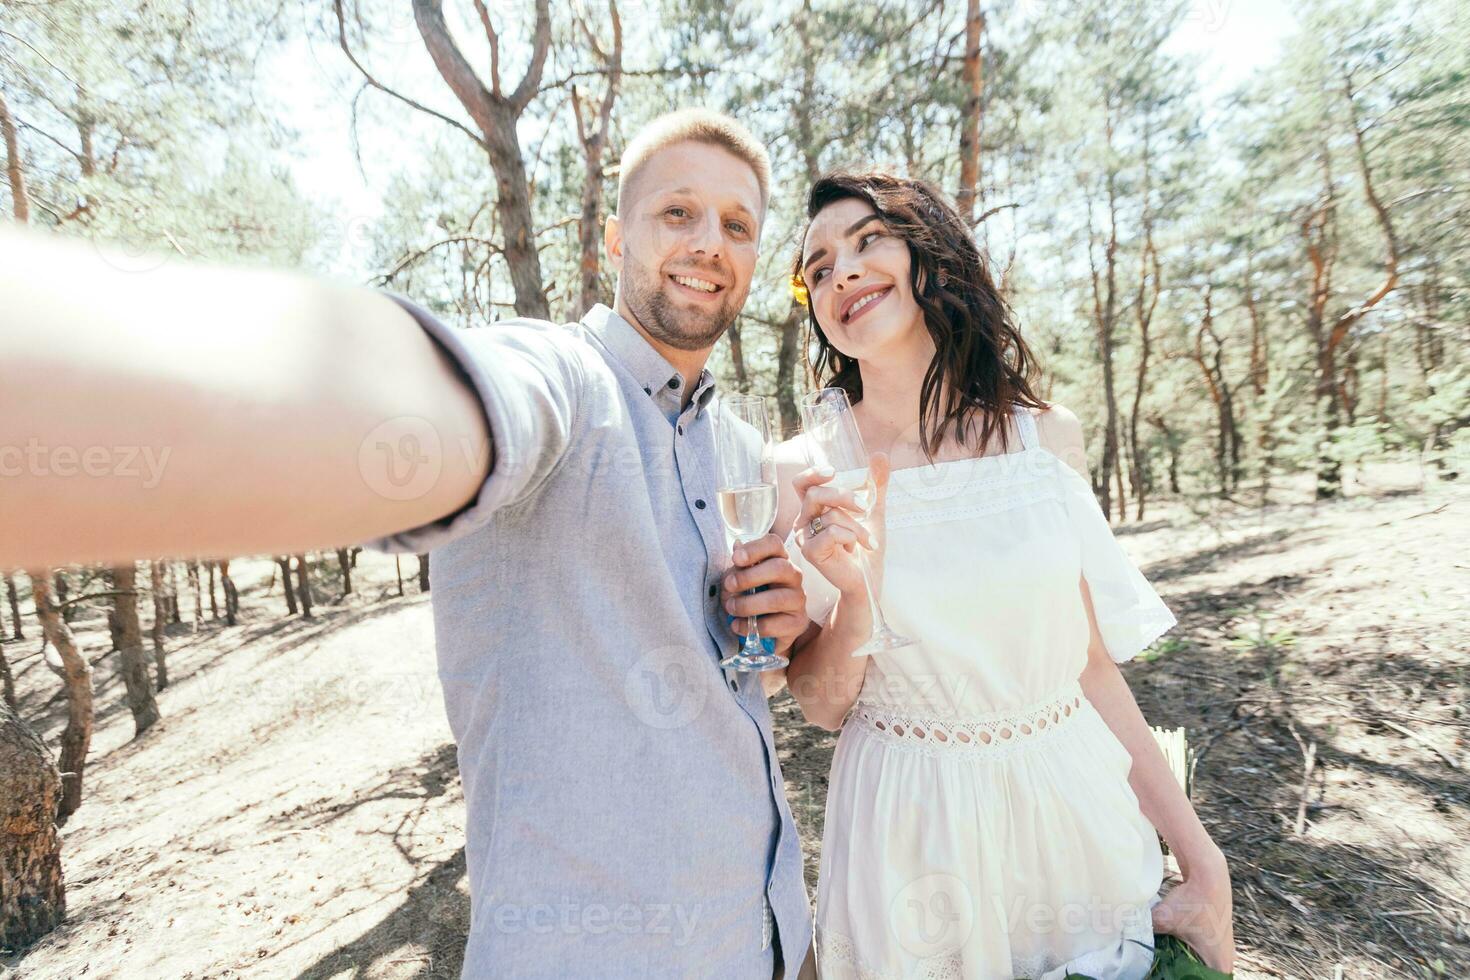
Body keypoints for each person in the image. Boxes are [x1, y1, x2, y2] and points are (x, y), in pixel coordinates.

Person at [0, 109, 818, 979]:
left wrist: (777, 629)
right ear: (614, 240)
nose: (709, 244)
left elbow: (735, 686)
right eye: (678, 213)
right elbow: (416, 403)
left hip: (774, 931)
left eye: (737, 226)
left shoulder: (731, 445)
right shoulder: (562, 380)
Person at [770, 171, 1236, 979]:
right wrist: (852, 594)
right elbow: (818, 705)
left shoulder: (1046, 439)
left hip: (1069, 811)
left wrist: (1203, 862)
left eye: (867, 239)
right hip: (909, 834)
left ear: (929, 254)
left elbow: (1090, 666)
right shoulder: (801, 471)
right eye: (816, 268)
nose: (839, 272)